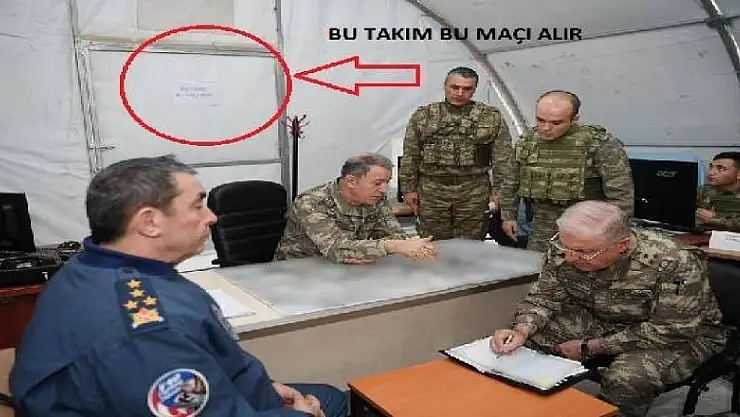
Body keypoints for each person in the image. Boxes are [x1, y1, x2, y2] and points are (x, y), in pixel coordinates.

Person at [10, 155, 347, 417]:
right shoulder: (148, 332)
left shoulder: (90, 266)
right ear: (150, 222)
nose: (212, 217)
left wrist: (264, 386)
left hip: (212, 390)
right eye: (197, 205)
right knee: (337, 402)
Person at [490, 201, 727, 417]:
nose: (570, 258)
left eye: (584, 252)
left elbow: (672, 329)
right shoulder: (568, 246)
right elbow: (544, 297)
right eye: (565, 247)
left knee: (628, 379)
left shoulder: (673, 262)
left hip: (681, 336)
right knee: (525, 343)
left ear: (621, 245)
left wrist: (591, 347)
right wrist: (521, 330)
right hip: (604, 318)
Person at [499, 90, 634, 252]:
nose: (546, 128)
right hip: (542, 223)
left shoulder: (598, 144)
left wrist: (615, 232)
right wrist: (508, 216)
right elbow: (511, 181)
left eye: (556, 123)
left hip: (588, 224)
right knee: (539, 263)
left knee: (583, 262)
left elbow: (620, 193)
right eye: (540, 120)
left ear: (574, 119)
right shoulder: (527, 143)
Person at [398, 66, 516, 241]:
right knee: (432, 243)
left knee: (471, 243)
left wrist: (500, 193)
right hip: (432, 190)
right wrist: (408, 189)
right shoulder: (423, 116)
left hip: (473, 191)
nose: (460, 93)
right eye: (454, 87)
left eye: (467, 89)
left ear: (474, 89)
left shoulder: (491, 117)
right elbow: (411, 155)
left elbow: (503, 161)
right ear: (445, 86)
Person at [274, 153, 437, 264]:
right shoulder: (312, 202)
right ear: (351, 181)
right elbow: (337, 249)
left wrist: (412, 245)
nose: (384, 189)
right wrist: (391, 246)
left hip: (346, 270)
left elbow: (395, 235)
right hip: (299, 272)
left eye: (386, 182)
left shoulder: (375, 199)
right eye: (377, 183)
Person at [696, 151, 740, 231]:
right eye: (711, 167)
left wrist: (714, 219)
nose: (711, 173)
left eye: (721, 169)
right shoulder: (704, 191)